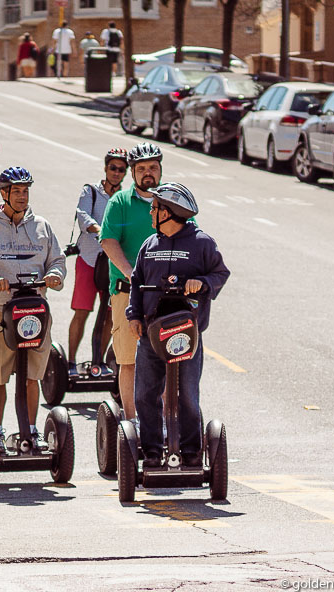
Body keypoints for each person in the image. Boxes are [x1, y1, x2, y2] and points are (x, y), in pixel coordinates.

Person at [0, 167, 67, 453]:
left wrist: (56, 275)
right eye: (16, 191)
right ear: (4, 193)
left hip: (34, 309)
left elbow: (57, 260)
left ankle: (30, 432)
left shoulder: (41, 226)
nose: (22, 196)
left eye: (26, 191)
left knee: (32, 374)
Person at [127, 183, 230, 468]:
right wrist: (134, 315)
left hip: (187, 335)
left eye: (155, 208)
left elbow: (221, 272)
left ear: (168, 212)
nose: (150, 212)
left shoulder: (201, 243)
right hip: (151, 334)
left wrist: (204, 282)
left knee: (187, 394)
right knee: (145, 394)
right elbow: (136, 282)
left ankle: (191, 451)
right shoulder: (150, 245)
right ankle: (150, 451)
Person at [98, 142, 164, 423]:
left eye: (152, 167)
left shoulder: (172, 198)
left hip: (164, 295)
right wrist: (131, 272)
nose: (147, 173)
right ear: (133, 173)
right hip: (128, 292)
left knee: (166, 360)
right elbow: (108, 241)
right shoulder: (120, 202)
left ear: (160, 169)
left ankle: (162, 422)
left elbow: (193, 236)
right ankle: (133, 421)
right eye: (141, 169)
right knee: (129, 360)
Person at [67, 148, 127, 376]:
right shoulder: (90, 191)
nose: (116, 173)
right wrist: (101, 230)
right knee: (82, 311)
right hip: (89, 259)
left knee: (110, 316)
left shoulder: (124, 198)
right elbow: (82, 215)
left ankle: (98, 363)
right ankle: (71, 363)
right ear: (105, 168)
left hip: (113, 264)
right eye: (113, 168)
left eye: (121, 170)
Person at [99, 21, 124, 89]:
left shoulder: (106, 31)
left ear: (109, 26)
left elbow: (103, 40)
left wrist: (100, 48)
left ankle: (109, 72)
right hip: (116, 49)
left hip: (109, 48)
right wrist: (122, 49)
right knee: (114, 61)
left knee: (108, 61)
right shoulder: (118, 32)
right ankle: (114, 73)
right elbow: (121, 41)